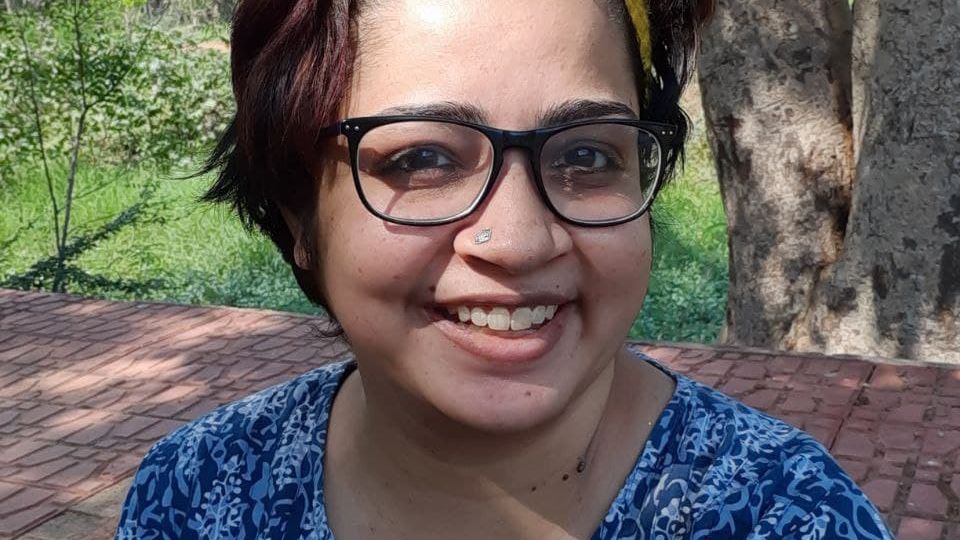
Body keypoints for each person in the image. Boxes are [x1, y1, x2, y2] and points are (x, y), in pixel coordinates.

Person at [116, 0, 895, 538]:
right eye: (423, 158)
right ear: (298, 220)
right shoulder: (194, 492)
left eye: (587, 154)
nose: (519, 241)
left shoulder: (788, 515)